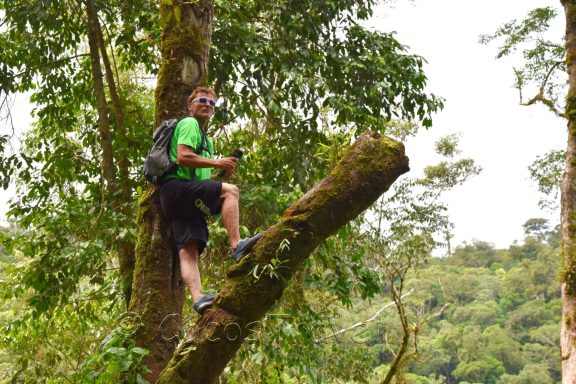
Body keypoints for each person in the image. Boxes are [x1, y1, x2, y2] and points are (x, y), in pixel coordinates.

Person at [159, 86, 262, 314]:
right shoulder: (189, 124)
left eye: (212, 103)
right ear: (190, 105)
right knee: (231, 192)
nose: (207, 105)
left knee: (188, 250)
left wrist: (219, 175)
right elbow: (184, 157)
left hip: (182, 201)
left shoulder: (208, 142)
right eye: (202, 100)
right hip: (175, 188)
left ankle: (198, 299)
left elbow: (202, 179)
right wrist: (218, 163)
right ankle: (237, 245)